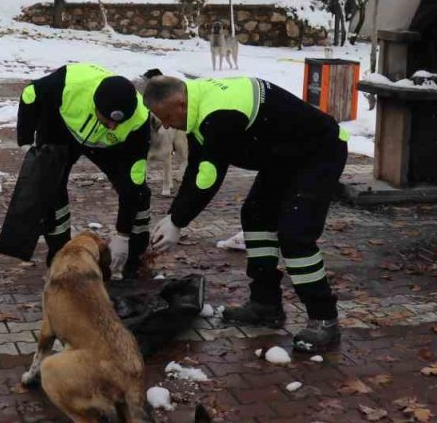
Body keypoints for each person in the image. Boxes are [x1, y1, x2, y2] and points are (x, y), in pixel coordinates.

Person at [142, 74, 348, 354]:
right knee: (256, 215)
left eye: (164, 116)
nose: (165, 125)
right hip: (285, 155)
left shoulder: (218, 114)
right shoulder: (199, 103)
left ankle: (324, 319)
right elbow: (197, 166)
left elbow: (209, 174)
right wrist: (173, 215)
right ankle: (266, 305)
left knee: (296, 235)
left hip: (319, 151)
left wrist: (177, 221)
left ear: (180, 103)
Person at [16, 63, 153, 278]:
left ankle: (133, 258)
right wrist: (25, 141)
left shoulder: (140, 122)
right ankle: (59, 257)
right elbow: (29, 94)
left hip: (109, 147)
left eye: (117, 123)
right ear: (94, 106)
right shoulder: (67, 84)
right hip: (61, 130)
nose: (113, 127)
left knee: (139, 192)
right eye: (107, 120)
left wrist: (123, 234)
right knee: (50, 188)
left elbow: (133, 182)